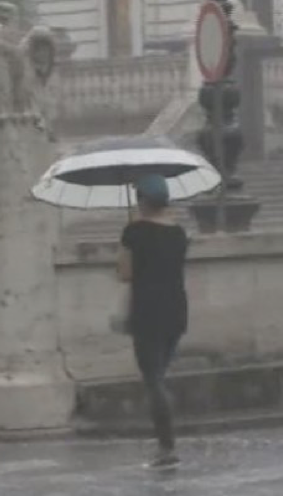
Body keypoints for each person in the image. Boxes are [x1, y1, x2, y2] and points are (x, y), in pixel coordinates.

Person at [117, 174, 189, 470]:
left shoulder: (134, 232)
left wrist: (126, 241)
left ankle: (166, 447)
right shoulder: (179, 233)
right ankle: (165, 441)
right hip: (176, 310)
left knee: (154, 380)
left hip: (147, 312)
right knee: (159, 375)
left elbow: (124, 274)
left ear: (144, 201)